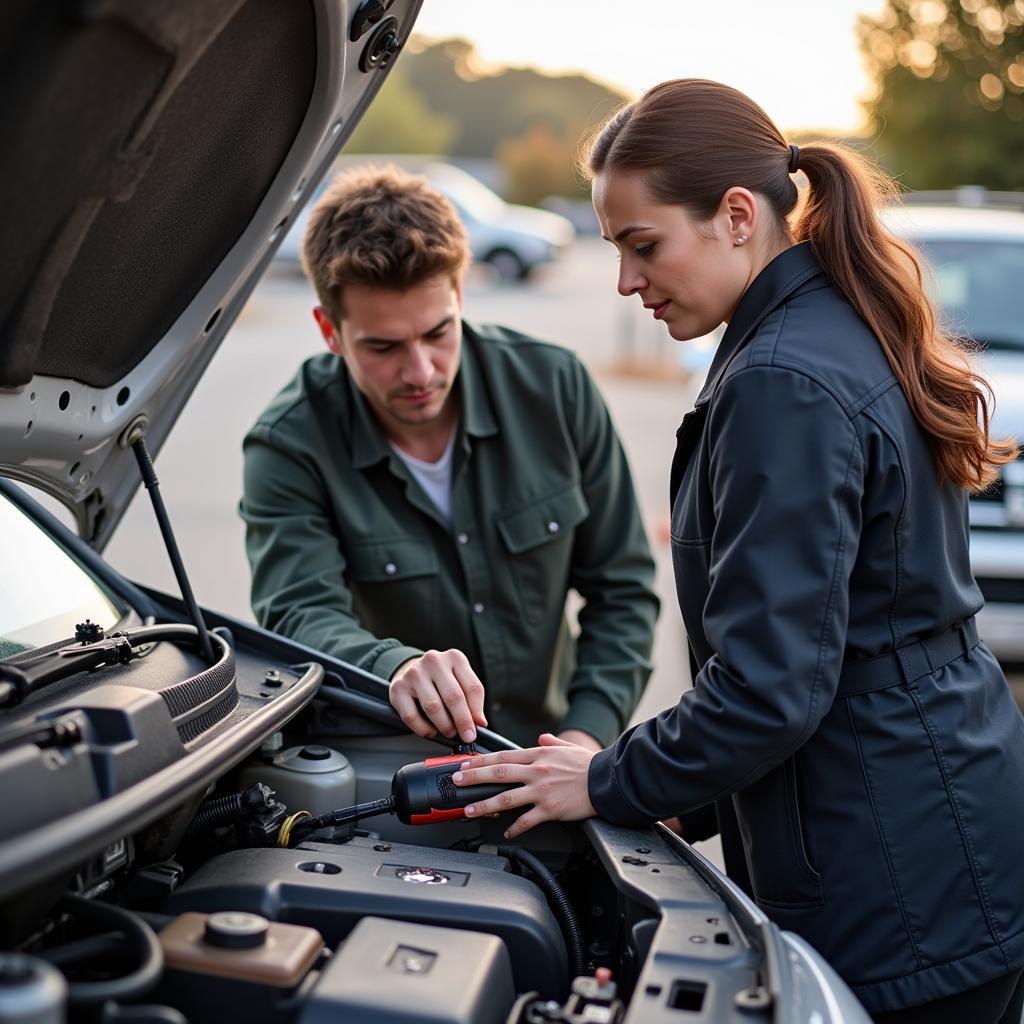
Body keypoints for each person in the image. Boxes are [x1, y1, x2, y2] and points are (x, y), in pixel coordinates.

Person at [452, 79, 1024, 1023]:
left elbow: (772, 685)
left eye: (644, 246)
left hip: (891, 880)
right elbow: (847, 645)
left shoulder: (782, 381)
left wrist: (605, 778)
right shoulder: (835, 329)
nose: (628, 282)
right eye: (616, 252)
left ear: (736, 216)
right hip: (949, 835)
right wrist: (687, 793)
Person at [240, 164, 658, 753]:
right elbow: (299, 614)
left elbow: (623, 589)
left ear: (460, 296)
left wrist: (583, 737)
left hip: (553, 751)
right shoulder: (287, 443)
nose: (419, 372)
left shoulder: (555, 387)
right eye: (383, 347)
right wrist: (393, 666)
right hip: (393, 769)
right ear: (330, 331)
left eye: (438, 333)